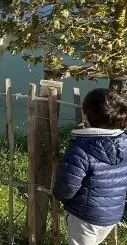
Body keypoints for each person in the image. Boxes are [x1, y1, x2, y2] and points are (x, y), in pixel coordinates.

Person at [54, 88, 127, 245]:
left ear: (86, 115)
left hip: (84, 216)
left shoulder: (81, 149)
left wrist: (60, 196)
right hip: (112, 214)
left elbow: (66, 187)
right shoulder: (125, 143)